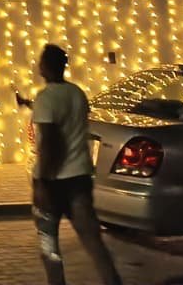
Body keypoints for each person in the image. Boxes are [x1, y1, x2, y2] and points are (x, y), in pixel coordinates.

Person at [18, 43, 123, 285]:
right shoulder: (77, 93)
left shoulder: (46, 98)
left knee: (49, 245)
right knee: (93, 243)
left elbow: (50, 142)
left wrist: (42, 181)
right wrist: (29, 103)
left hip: (54, 182)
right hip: (80, 179)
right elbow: (63, 112)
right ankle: (113, 281)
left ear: (45, 66)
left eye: (41, 60)